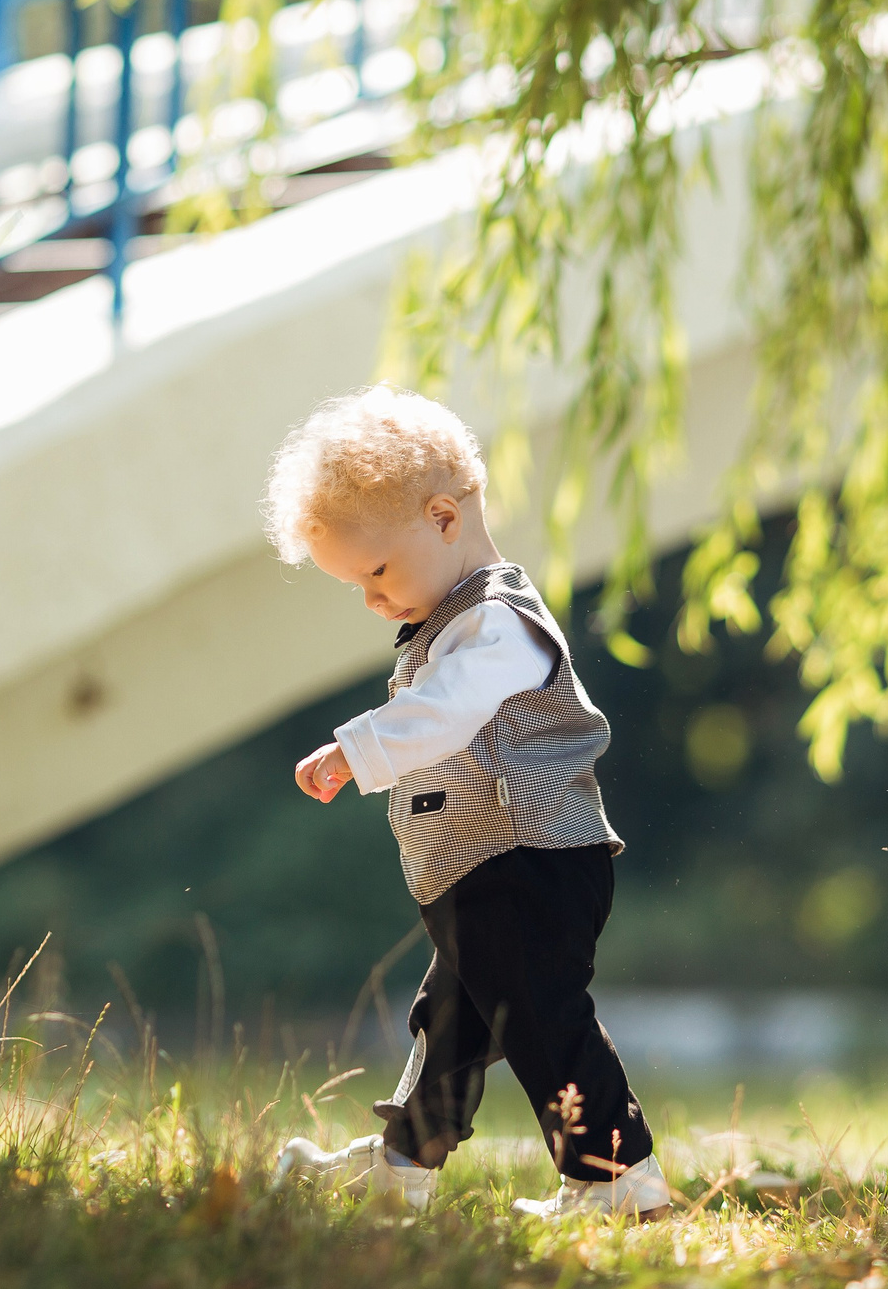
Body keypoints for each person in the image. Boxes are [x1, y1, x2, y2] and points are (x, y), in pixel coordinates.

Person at [263, 385, 670, 1220]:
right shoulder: (452, 620)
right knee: (450, 1021)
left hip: (530, 859)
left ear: (444, 517)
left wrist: (356, 749)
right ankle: (401, 1164)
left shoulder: (498, 623)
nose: (373, 599)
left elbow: (448, 708)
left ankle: (616, 1176)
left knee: (540, 1017)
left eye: (377, 572)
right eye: (357, 585)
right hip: (484, 867)